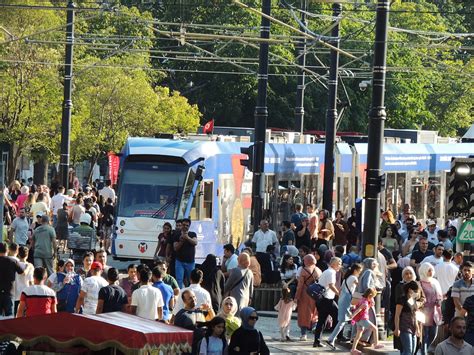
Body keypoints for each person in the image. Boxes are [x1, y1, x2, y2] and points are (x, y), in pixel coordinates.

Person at [326, 263, 363, 349]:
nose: (360, 273)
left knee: (342, 321)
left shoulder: (346, 278)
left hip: (342, 299)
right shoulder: (354, 278)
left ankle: (331, 339)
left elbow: (341, 290)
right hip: (346, 300)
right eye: (359, 271)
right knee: (342, 321)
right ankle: (331, 339)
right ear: (355, 270)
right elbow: (360, 287)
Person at [313, 257, 342, 347]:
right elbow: (331, 285)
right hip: (327, 299)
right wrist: (339, 294)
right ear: (333, 264)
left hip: (322, 299)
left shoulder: (327, 271)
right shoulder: (331, 272)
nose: (340, 265)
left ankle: (317, 341)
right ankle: (337, 337)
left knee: (322, 320)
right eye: (339, 263)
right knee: (339, 316)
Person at [174, 289, 211, 354]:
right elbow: (177, 337)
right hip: (189, 350)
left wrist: (210, 309)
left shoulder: (200, 311)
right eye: (190, 298)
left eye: (194, 297)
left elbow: (214, 320)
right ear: (184, 301)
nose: (193, 299)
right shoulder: (180, 315)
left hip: (203, 349)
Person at [295, 254, 320, 340]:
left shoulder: (303, 270)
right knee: (314, 312)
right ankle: (314, 329)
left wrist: (296, 297)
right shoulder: (318, 270)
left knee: (303, 313)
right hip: (315, 294)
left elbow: (300, 285)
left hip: (305, 294)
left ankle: (303, 334)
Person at [351, 288, 383, 354]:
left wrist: (369, 305)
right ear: (369, 296)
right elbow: (359, 309)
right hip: (363, 319)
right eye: (372, 297)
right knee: (375, 329)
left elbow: (364, 309)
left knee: (358, 335)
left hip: (359, 320)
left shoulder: (362, 300)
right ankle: (376, 344)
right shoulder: (365, 303)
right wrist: (352, 316)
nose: (372, 299)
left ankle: (353, 349)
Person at [394, 281, 422, 355]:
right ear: (410, 290)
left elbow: (414, 314)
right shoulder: (402, 300)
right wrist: (397, 328)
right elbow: (397, 315)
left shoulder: (412, 300)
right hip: (404, 327)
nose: (417, 293)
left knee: (412, 351)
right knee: (408, 351)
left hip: (413, 327)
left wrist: (418, 328)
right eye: (415, 291)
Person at [0, 242, 24, 318]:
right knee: (9, 316)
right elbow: (21, 272)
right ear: (7, 250)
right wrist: (28, 266)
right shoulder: (12, 261)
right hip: (9, 291)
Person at [173, 218, 197, 288]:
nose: (185, 226)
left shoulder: (192, 234)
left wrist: (187, 238)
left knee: (192, 280)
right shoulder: (177, 235)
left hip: (190, 262)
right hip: (179, 261)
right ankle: (180, 295)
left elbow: (195, 242)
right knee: (179, 280)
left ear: (189, 226)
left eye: (187, 225)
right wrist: (181, 241)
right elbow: (175, 248)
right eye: (184, 225)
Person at [14, 246, 34, 314]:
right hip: (26, 293)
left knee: (15, 314)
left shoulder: (15, 264)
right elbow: (31, 281)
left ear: (18, 254)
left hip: (15, 292)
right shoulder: (30, 266)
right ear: (27, 255)